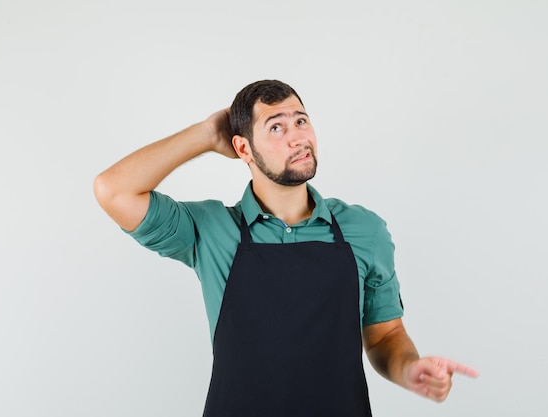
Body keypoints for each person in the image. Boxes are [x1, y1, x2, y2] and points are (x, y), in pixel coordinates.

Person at [93, 80, 478, 416]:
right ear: (243, 149)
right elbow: (113, 189)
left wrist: (409, 368)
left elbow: (384, 335)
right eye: (276, 127)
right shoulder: (210, 230)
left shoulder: (364, 230)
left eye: (301, 120)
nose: (298, 137)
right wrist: (207, 134)